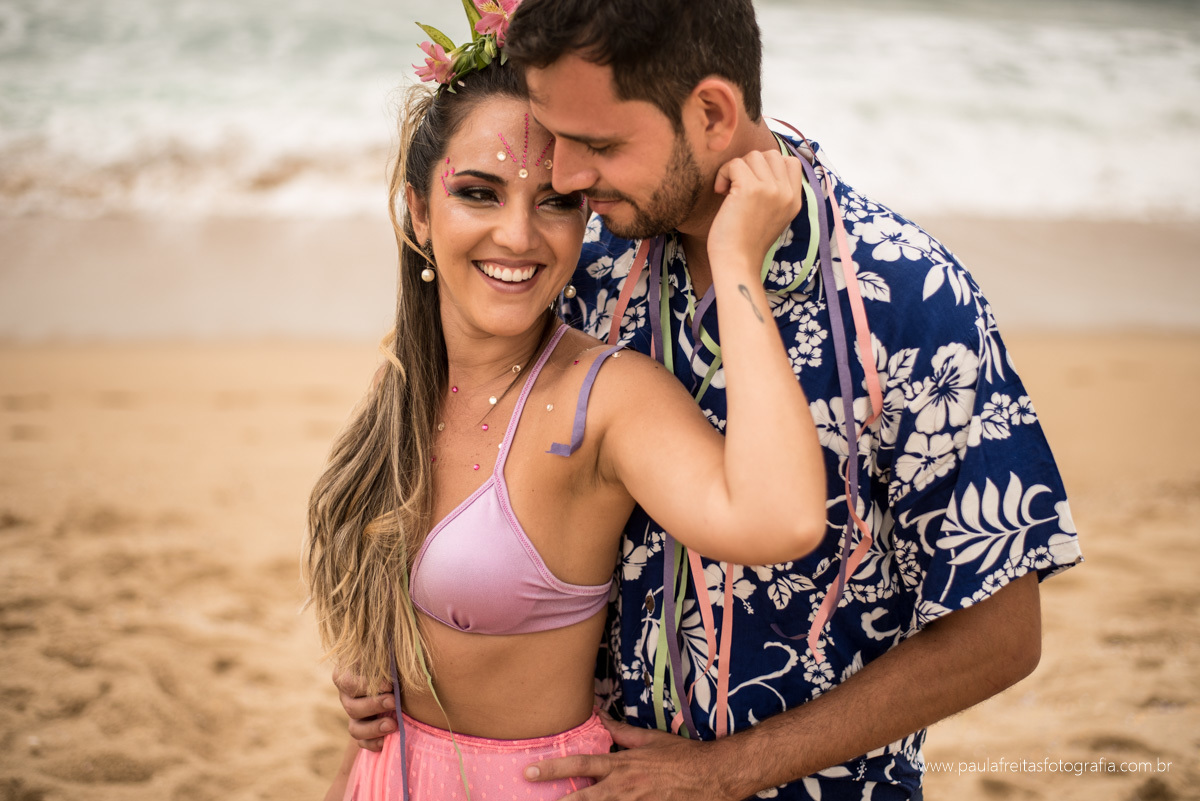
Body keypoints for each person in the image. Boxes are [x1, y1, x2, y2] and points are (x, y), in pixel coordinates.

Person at [337, 0, 1085, 798]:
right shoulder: (580, 256)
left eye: (598, 145)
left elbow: (1002, 636)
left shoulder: (908, 302)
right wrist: (409, 666)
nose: (568, 178)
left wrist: (730, 770)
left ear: (712, 113)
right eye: (561, 144)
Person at [305, 9, 829, 799]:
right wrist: (373, 662)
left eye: (554, 203)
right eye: (478, 194)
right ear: (418, 211)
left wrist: (736, 263)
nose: (518, 236)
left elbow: (781, 518)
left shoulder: (604, 399)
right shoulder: (404, 385)